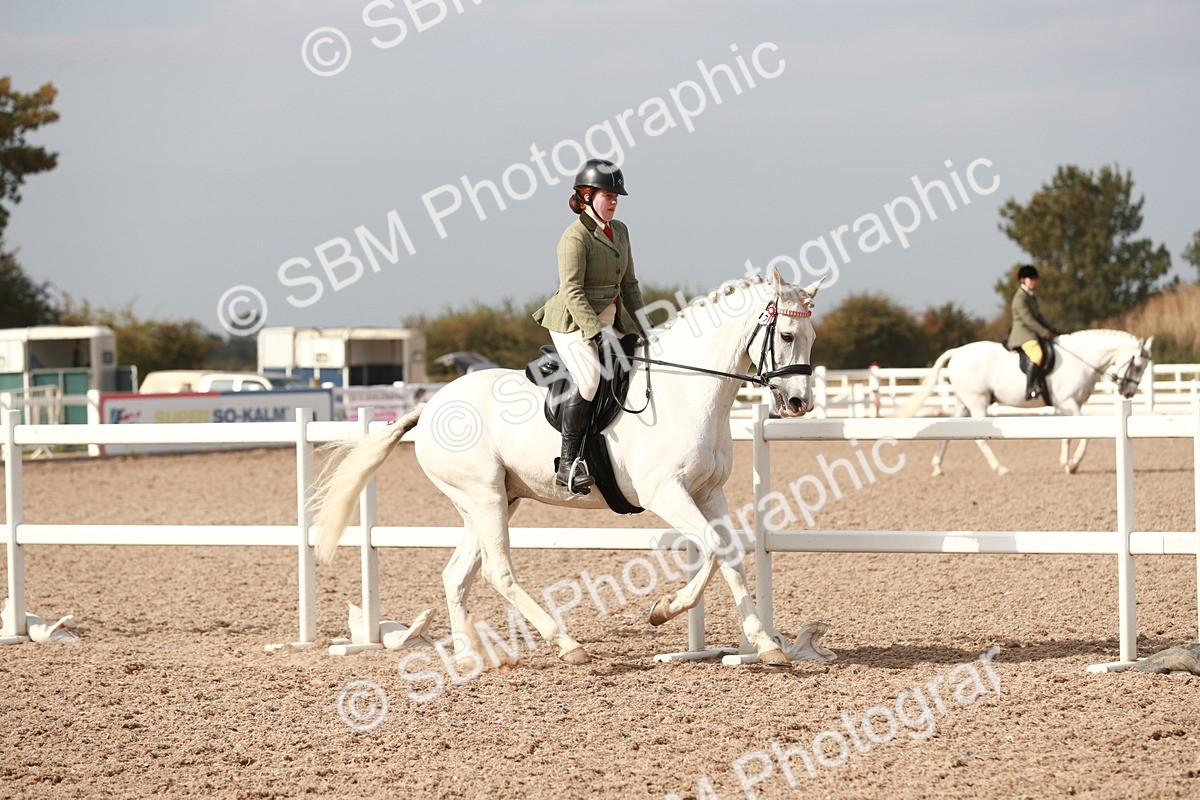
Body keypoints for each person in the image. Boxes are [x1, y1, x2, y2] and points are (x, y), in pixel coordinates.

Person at [532, 159, 646, 493]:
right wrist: (594, 333)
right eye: (607, 194)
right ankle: (567, 464)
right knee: (591, 377)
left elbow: (631, 285)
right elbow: (572, 291)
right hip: (571, 321)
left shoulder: (621, 231)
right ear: (586, 196)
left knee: (639, 363)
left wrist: (647, 327)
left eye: (616, 196)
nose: (613, 201)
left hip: (609, 320)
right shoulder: (574, 237)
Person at [1006, 264, 1059, 400]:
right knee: (1037, 354)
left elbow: (1038, 316)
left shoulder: (1030, 297)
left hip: (1031, 333)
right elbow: (1028, 319)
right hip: (1023, 334)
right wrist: (1044, 332)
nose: (1034, 282)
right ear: (1023, 280)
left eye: (1035, 279)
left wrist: (1051, 328)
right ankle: (1030, 388)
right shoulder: (1020, 298)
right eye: (1031, 279)